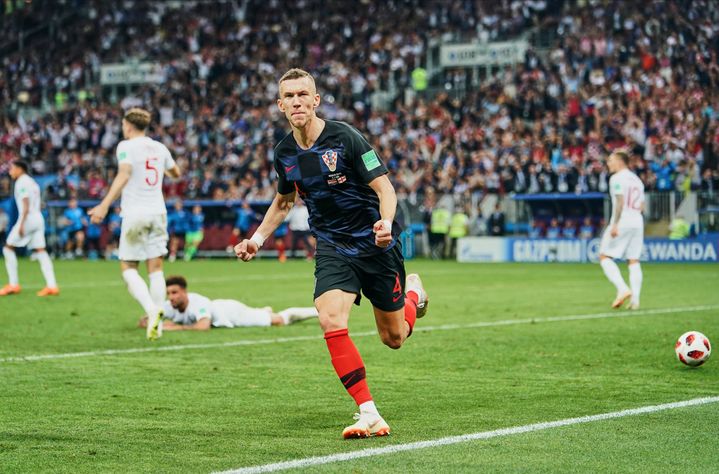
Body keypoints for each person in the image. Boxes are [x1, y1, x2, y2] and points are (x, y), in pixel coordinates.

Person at [234, 68, 428, 439]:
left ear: (316, 100)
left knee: (394, 338)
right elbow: (284, 200)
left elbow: (385, 189)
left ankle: (414, 293)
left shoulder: (346, 138)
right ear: (280, 105)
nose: (296, 102)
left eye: (303, 95)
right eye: (289, 97)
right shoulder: (284, 153)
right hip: (334, 247)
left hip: (376, 244)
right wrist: (257, 240)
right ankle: (368, 411)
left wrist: (386, 223)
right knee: (330, 319)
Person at [89, 108, 181, 340]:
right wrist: (163, 171)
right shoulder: (160, 148)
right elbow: (176, 173)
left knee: (128, 268)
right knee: (156, 269)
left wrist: (104, 204)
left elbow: (124, 173)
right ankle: (158, 328)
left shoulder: (126, 146)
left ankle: (152, 309)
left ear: (128, 126)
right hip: (158, 212)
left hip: (135, 212)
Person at [137, 275, 319, 331]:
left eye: (175, 292)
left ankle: (317, 311)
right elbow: (145, 320)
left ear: (185, 292)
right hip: (225, 310)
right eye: (169, 293)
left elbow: (203, 326)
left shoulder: (198, 303)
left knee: (278, 320)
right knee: (265, 314)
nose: (171, 297)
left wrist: (171, 327)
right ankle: (262, 310)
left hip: (231, 313)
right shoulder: (170, 306)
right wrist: (152, 321)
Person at [1, 160, 59, 296]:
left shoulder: (21, 182)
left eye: (12, 169)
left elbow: (25, 202)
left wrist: (21, 223)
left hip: (27, 218)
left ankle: (13, 284)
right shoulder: (32, 182)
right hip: (38, 217)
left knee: (7, 248)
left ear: (20, 169)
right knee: (41, 251)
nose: (10, 172)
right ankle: (52, 286)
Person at [599, 150, 645, 310]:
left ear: (620, 162)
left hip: (623, 219)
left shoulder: (616, 178)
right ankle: (636, 301)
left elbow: (619, 201)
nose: (608, 164)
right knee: (633, 259)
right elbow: (642, 205)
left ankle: (622, 289)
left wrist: (615, 224)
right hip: (637, 220)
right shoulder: (637, 180)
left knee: (604, 256)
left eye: (611, 161)